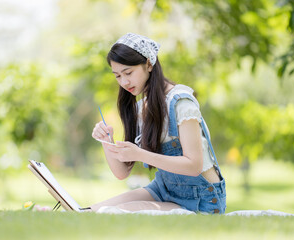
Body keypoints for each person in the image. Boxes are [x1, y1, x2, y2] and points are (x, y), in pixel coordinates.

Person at [91, 33, 226, 214]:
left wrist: (141, 154)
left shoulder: (180, 102)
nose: (124, 82)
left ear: (148, 64)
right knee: (95, 209)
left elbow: (194, 165)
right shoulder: (141, 108)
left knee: (116, 212)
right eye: (117, 76)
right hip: (163, 190)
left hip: (201, 199)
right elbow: (122, 173)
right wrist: (107, 140)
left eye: (128, 73)